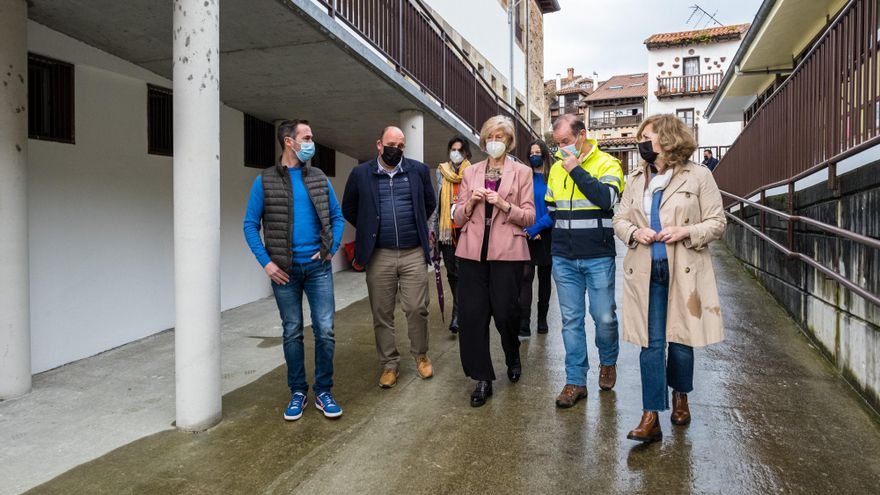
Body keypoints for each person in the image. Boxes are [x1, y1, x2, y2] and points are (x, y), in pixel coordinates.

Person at [613, 114, 726, 443]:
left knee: (680, 341)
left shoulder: (699, 176)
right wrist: (635, 231)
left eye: (647, 137)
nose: (641, 143)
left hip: (683, 268)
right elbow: (619, 218)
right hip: (645, 272)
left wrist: (686, 231)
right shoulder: (635, 178)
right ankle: (651, 415)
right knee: (650, 344)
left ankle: (681, 396)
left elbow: (718, 222)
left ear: (667, 139)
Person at [242, 119, 345, 421]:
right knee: (292, 331)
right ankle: (298, 392)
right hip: (284, 272)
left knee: (325, 330)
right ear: (289, 141)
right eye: (307, 137)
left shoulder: (319, 177)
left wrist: (330, 248)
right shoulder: (264, 181)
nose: (312, 142)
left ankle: (323, 391)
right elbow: (250, 225)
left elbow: (337, 217)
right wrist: (267, 263)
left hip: (318, 269)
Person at [341, 126, 437, 389]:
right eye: (392, 144)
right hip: (379, 254)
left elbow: (430, 203)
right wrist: (368, 227)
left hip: (413, 252)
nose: (397, 149)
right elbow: (349, 207)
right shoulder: (361, 174)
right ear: (380, 145)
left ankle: (421, 356)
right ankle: (389, 364)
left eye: (401, 145)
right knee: (382, 312)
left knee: (417, 308)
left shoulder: (417, 171)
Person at [453, 115, 535, 407]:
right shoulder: (470, 172)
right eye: (490, 136)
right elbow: (458, 216)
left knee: (505, 313)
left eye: (500, 137)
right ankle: (482, 378)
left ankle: (512, 354)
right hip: (472, 253)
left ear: (509, 141)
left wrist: (503, 204)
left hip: (508, 254)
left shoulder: (522, 172)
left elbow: (529, 216)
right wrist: (471, 202)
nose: (495, 141)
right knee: (473, 317)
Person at [545, 114, 625, 409]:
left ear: (582, 136)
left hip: (598, 256)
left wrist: (576, 169)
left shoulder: (608, 164)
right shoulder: (554, 169)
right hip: (564, 257)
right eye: (557, 144)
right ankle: (575, 381)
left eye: (566, 142)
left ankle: (608, 361)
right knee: (570, 321)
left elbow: (606, 199)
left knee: (604, 317)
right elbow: (551, 207)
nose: (561, 149)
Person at [429, 136, 473, 334]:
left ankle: (458, 314)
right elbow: (437, 204)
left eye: (460, 150)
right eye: (453, 149)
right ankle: (460, 306)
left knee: (462, 273)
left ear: (466, 153)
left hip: (465, 230)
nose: (456, 153)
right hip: (446, 232)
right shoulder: (441, 172)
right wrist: (433, 230)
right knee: (452, 274)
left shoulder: (472, 172)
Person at [520, 139, 554, 337]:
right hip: (526, 232)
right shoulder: (525, 177)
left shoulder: (552, 177)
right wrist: (529, 229)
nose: (534, 155)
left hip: (547, 233)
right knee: (525, 277)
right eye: (531, 152)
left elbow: (555, 209)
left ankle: (542, 319)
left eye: (537, 151)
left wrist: (537, 228)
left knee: (544, 279)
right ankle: (524, 322)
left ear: (544, 154)